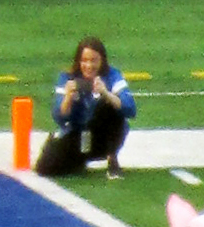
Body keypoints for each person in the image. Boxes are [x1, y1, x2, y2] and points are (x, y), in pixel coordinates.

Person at [36, 38, 134, 178]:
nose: (89, 65)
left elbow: (130, 109)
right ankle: (78, 160)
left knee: (109, 105)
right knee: (44, 167)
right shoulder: (67, 78)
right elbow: (59, 117)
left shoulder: (112, 76)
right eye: (84, 60)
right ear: (78, 61)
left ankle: (112, 159)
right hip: (78, 133)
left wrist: (106, 93)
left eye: (94, 60)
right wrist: (68, 98)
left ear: (102, 60)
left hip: (102, 136)